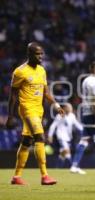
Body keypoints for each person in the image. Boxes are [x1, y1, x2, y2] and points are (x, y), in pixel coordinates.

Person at [6, 42, 64, 185]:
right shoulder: (19, 72)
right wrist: (10, 116)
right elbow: (13, 95)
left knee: (27, 142)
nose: (41, 57)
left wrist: (56, 105)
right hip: (26, 108)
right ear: (30, 54)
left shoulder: (41, 70)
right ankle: (45, 176)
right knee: (40, 137)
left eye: (42, 54)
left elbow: (46, 91)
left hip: (39, 110)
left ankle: (16, 177)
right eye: (37, 54)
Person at [48, 103, 83, 167]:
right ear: (64, 108)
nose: (70, 109)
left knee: (63, 154)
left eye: (70, 107)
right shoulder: (60, 115)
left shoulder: (72, 116)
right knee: (67, 150)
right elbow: (53, 126)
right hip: (61, 136)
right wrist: (50, 135)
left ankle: (58, 167)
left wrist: (84, 130)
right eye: (68, 107)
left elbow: (77, 124)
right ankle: (73, 166)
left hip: (68, 137)